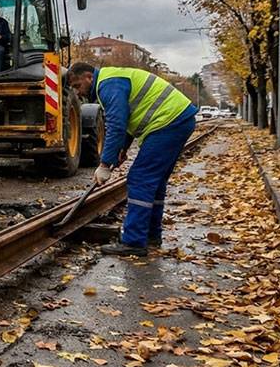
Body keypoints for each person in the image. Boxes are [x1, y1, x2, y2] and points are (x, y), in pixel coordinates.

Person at [68, 61, 197, 257]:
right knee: (155, 181)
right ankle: (151, 235)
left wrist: (104, 164)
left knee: (140, 178)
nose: (77, 93)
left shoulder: (108, 85)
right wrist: (123, 149)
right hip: (178, 120)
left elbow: (117, 125)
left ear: (89, 77)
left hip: (168, 121)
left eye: (78, 86)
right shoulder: (112, 78)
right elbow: (128, 119)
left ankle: (134, 242)